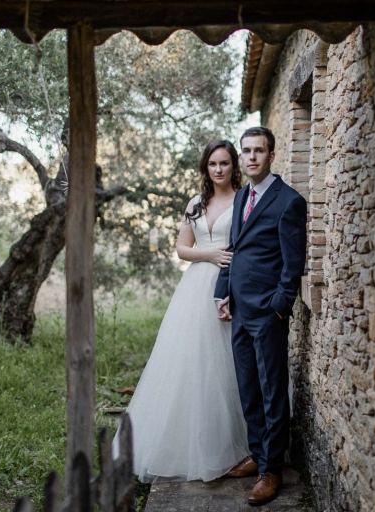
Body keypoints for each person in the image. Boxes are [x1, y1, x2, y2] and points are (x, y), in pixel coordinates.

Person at [112, 140, 249, 483]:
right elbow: (181, 248)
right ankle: (186, 444)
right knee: (192, 361)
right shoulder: (196, 204)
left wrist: (226, 262)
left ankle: (241, 446)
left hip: (233, 284)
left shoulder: (245, 200)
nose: (219, 169)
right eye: (213, 164)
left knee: (231, 365)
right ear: (206, 168)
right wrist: (210, 254)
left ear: (234, 166)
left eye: (225, 163)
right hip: (196, 287)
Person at [215, 127, 307, 505]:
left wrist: (279, 307)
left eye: (259, 151)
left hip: (268, 313)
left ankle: (272, 470)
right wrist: (223, 291)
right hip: (238, 308)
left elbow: (293, 263)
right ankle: (258, 453)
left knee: (272, 390)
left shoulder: (289, 201)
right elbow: (234, 247)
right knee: (248, 387)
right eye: (247, 151)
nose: (252, 157)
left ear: (271, 155)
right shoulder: (241, 198)